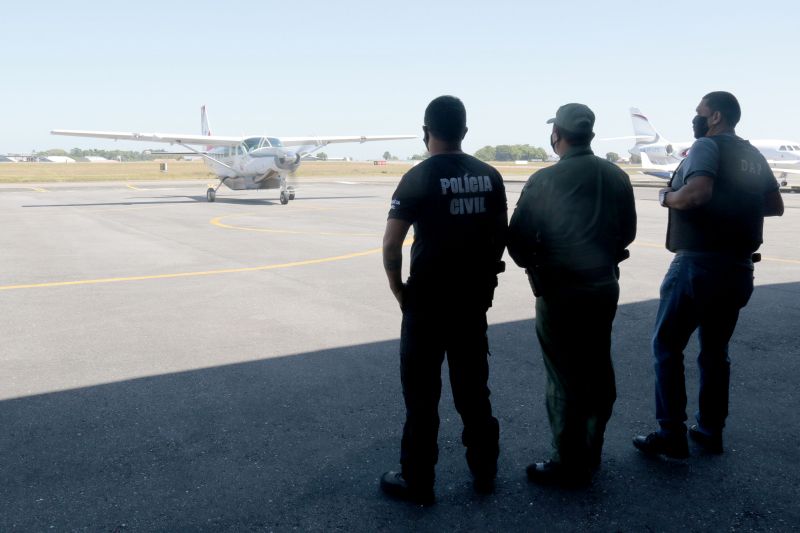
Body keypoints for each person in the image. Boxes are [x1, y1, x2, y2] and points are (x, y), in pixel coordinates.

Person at [633, 91, 784, 458]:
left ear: (715, 117)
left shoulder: (705, 146)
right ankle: (710, 431)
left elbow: (697, 194)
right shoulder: (751, 155)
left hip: (698, 265)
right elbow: (774, 205)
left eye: (699, 112)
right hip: (738, 268)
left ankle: (671, 435)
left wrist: (667, 197)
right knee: (715, 353)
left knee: (667, 347)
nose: (695, 118)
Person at [380, 95, 507, 505]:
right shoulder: (490, 175)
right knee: (473, 390)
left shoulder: (417, 177)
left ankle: (418, 481)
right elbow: (499, 236)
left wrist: (399, 288)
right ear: (465, 132)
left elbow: (391, 244)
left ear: (425, 131)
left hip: (428, 302)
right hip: (472, 301)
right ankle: (485, 470)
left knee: (422, 397)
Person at [507, 103, 637, 485]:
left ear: (556, 135)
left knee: (564, 377)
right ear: (591, 135)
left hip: (560, 292)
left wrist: (538, 262)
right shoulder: (616, 176)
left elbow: (516, 241)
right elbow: (627, 232)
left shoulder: (545, 180)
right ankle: (591, 449)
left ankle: (568, 462)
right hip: (602, 287)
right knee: (597, 366)